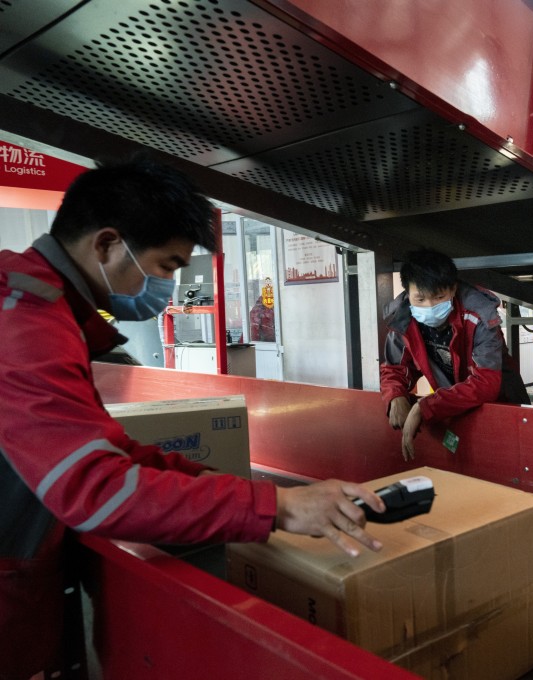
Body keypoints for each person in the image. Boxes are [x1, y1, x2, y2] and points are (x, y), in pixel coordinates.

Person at [0, 157, 385, 680]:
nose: (167, 283)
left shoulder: (40, 309)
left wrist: (232, 490)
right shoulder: (27, 324)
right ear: (109, 245)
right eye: (166, 265)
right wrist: (278, 507)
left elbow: (110, 451)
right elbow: (96, 488)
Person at [380, 249, 530, 460]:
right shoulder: (403, 320)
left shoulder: (479, 315)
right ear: (407, 294)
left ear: (453, 289)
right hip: (455, 406)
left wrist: (425, 407)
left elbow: (486, 383)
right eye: (420, 299)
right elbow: (396, 368)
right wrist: (396, 396)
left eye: (439, 297)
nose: (429, 306)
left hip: (502, 407)